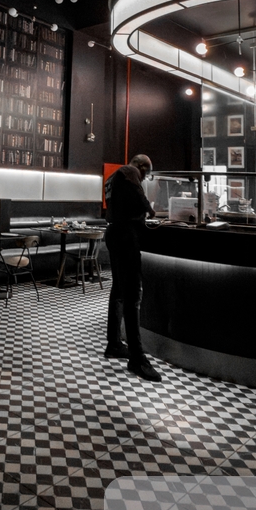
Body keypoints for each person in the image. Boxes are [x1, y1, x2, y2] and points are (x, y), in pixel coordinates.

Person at [103, 154, 161, 382]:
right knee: (133, 294)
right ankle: (137, 358)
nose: (144, 177)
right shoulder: (129, 172)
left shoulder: (112, 177)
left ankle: (114, 343)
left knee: (118, 291)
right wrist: (152, 210)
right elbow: (140, 200)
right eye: (146, 172)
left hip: (114, 233)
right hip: (126, 237)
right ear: (141, 166)